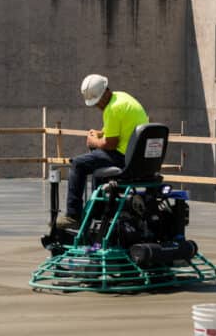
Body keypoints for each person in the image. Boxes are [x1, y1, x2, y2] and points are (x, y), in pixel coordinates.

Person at [56, 74, 149, 230]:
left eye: (97, 101)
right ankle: (99, 210)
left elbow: (111, 144)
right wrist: (99, 134)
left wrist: (94, 141)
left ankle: (73, 216)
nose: (97, 105)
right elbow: (115, 132)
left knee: (78, 164)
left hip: (123, 158)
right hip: (138, 158)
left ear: (105, 92)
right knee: (96, 160)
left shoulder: (112, 109)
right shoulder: (122, 98)